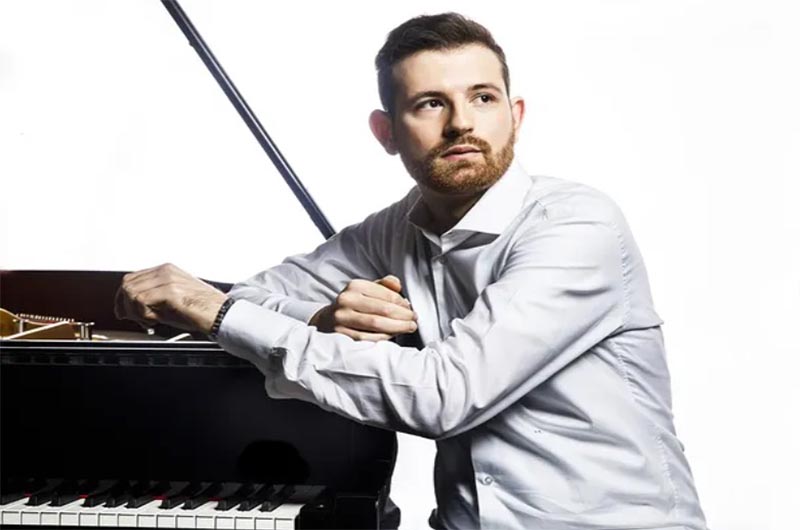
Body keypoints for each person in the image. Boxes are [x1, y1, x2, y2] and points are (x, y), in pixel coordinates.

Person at [116, 13, 708, 530]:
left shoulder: (577, 227)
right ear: (386, 133)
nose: (461, 124)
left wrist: (219, 313)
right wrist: (319, 317)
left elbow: (445, 395)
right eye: (430, 103)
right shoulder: (394, 230)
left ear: (516, 115)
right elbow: (256, 293)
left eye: (483, 98)